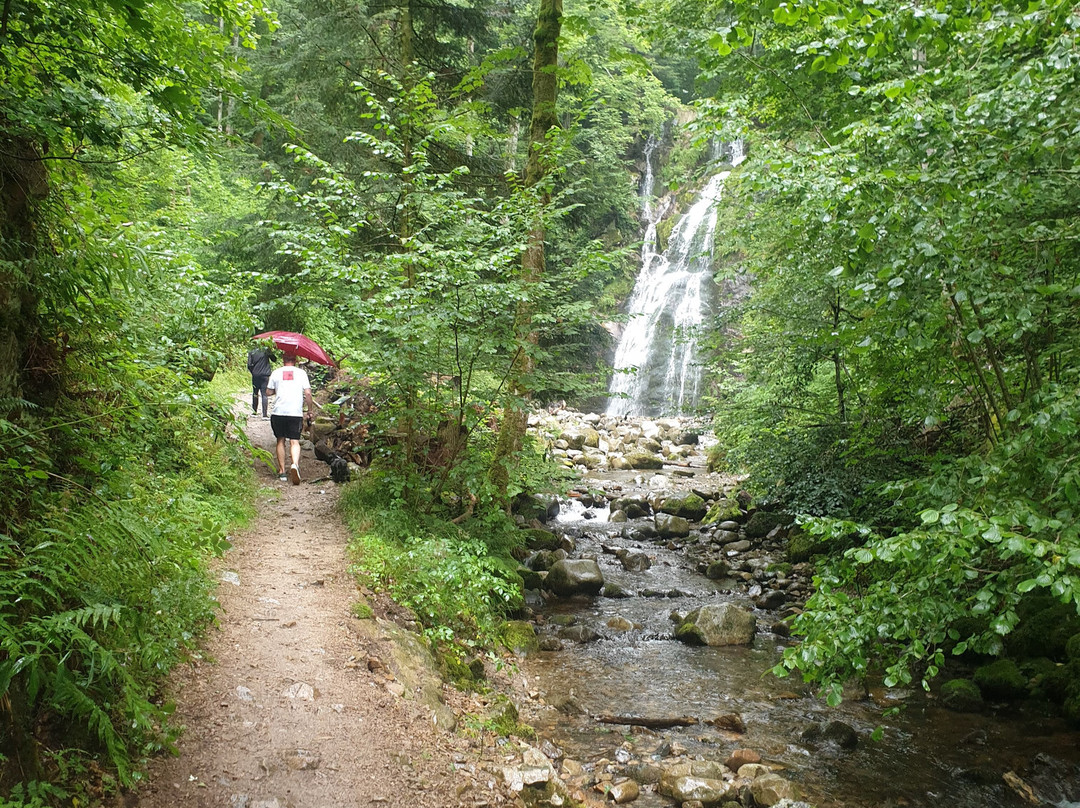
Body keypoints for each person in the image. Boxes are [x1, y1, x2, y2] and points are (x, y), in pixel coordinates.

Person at [267, 353, 313, 484]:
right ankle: (295, 465)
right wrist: (309, 410)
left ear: (283, 360)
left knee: (280, 440)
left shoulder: (276, 373)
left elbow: (268, 392)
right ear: (296, 360)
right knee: (295, 441)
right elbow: (308, 393)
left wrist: (279, 389)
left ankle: (282, 471)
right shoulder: (301, 373)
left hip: (278, 413)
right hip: (295, 413)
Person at [247, 344, 275, 418]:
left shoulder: (251, 351)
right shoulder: (266, 350)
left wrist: (253, 372)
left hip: (255, 375)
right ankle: (264, 415)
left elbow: (249, 365)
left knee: (255, 393)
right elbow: (274, 359)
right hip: (265, 375)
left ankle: (254, 412)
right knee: (264, 394)